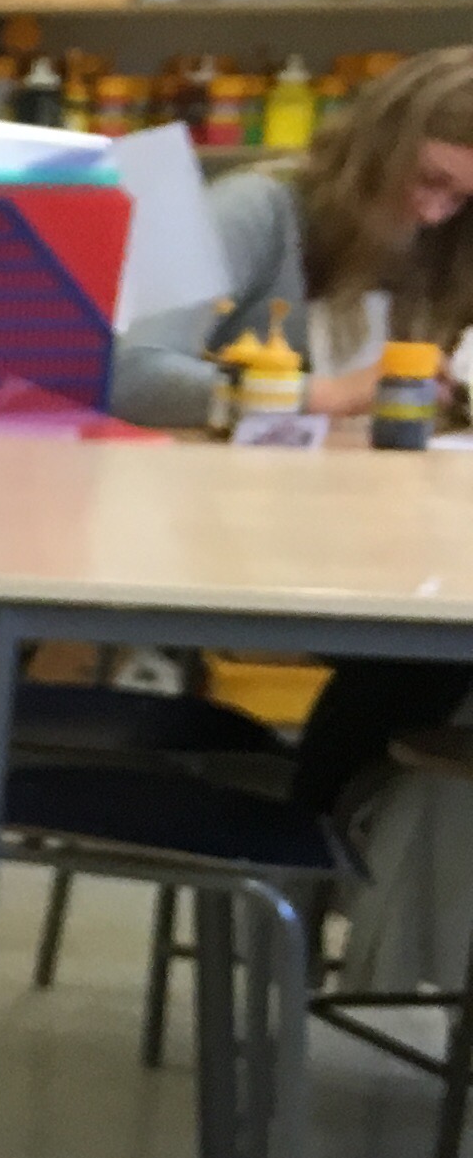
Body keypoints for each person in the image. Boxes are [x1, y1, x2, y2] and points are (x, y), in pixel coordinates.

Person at [115, 48, 473, 809]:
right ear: (379, 143)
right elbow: (130, 374)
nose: (436, 212)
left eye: (462, 197)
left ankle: (341, 848)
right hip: (227, 538)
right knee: (425, 663)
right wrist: (328, 395)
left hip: (374, 545)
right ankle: (320, 841)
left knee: (438, 659)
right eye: (429, 179)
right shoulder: (254, 207)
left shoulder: (448, 243)